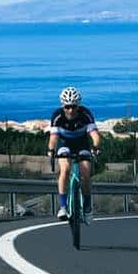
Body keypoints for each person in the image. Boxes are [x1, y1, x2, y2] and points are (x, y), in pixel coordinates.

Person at [47, 86, 101, 221]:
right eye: (67, 107)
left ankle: (87, 206)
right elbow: (53, 138)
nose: (70, 110)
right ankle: (63, 207)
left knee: (86, 173)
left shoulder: (85, 115)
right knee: (64, 170)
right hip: (64, 144)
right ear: (63, 106)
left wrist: (95, 146)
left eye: (74, 107)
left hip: (82, 144)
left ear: (78, 106)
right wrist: (51, 150)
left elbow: (95, 135)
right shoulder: (57, 116)